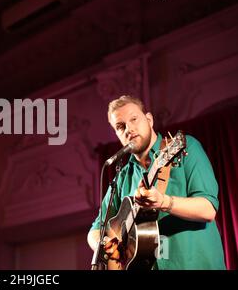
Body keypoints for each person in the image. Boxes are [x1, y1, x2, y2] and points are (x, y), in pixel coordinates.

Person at [87, 95, 226, 270]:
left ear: (149, 120)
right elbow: (94, 232)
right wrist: (108, 244)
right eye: (120, 127)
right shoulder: (122, 178)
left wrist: (164, 202)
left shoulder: (185, 147)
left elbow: (208, 209)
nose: (129, 129)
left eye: (134, 119)